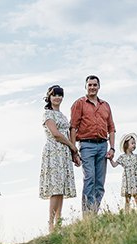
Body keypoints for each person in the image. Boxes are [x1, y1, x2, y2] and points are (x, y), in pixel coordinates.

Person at [68, 74, 115, 217]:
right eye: (90, 85)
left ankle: (94, 213)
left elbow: (111, 128)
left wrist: (112, 148)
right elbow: (73, 128)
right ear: (86, 86)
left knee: (100, 183)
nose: (92, 87)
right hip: (86, 145)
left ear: (99, 87)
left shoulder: (105, 105)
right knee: (90, 179)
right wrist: (74, 151)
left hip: (102, 146)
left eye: (95, 85)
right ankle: (87, 216)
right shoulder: (79, 104)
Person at [39, 84, 80, 232]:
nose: (57, 97)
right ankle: (50, 224)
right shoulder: (47, 114)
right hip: (54, 151)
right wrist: (72, 146)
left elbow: (69, 132)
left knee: (61, 188)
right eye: (54, 95)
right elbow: (56, 134)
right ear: (49, 97)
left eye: (60, 95)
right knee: (55, 188)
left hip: (64, 152)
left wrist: (74, 153)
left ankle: (59, 222)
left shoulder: (62, 115)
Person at [112, 132, 137, 211]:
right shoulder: (122, 157)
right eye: (132, 143)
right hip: (127, 181)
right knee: (127, 200)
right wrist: (110, 159)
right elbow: (114, 165)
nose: (134, 145)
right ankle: (127, 214)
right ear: (126, 145)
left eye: (134, 143)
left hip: (135, 180)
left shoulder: (136, 156)